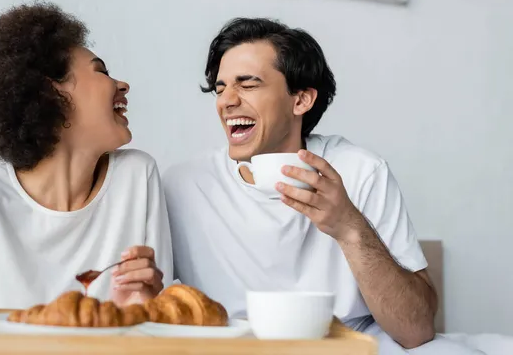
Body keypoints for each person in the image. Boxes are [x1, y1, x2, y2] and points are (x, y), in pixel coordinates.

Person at [163, 18, 483, 354]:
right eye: (220, 87)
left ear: (300, 100)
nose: (226, 101)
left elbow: (415, 330)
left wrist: (349, 227)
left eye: (248, 84)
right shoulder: (184, 185)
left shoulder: (360, 171)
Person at [0, 1, 172, 331]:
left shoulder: (137, 176)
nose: (121, 85)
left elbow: (163, 325)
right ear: (54, 93)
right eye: (101, 71)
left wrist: (141, 308)